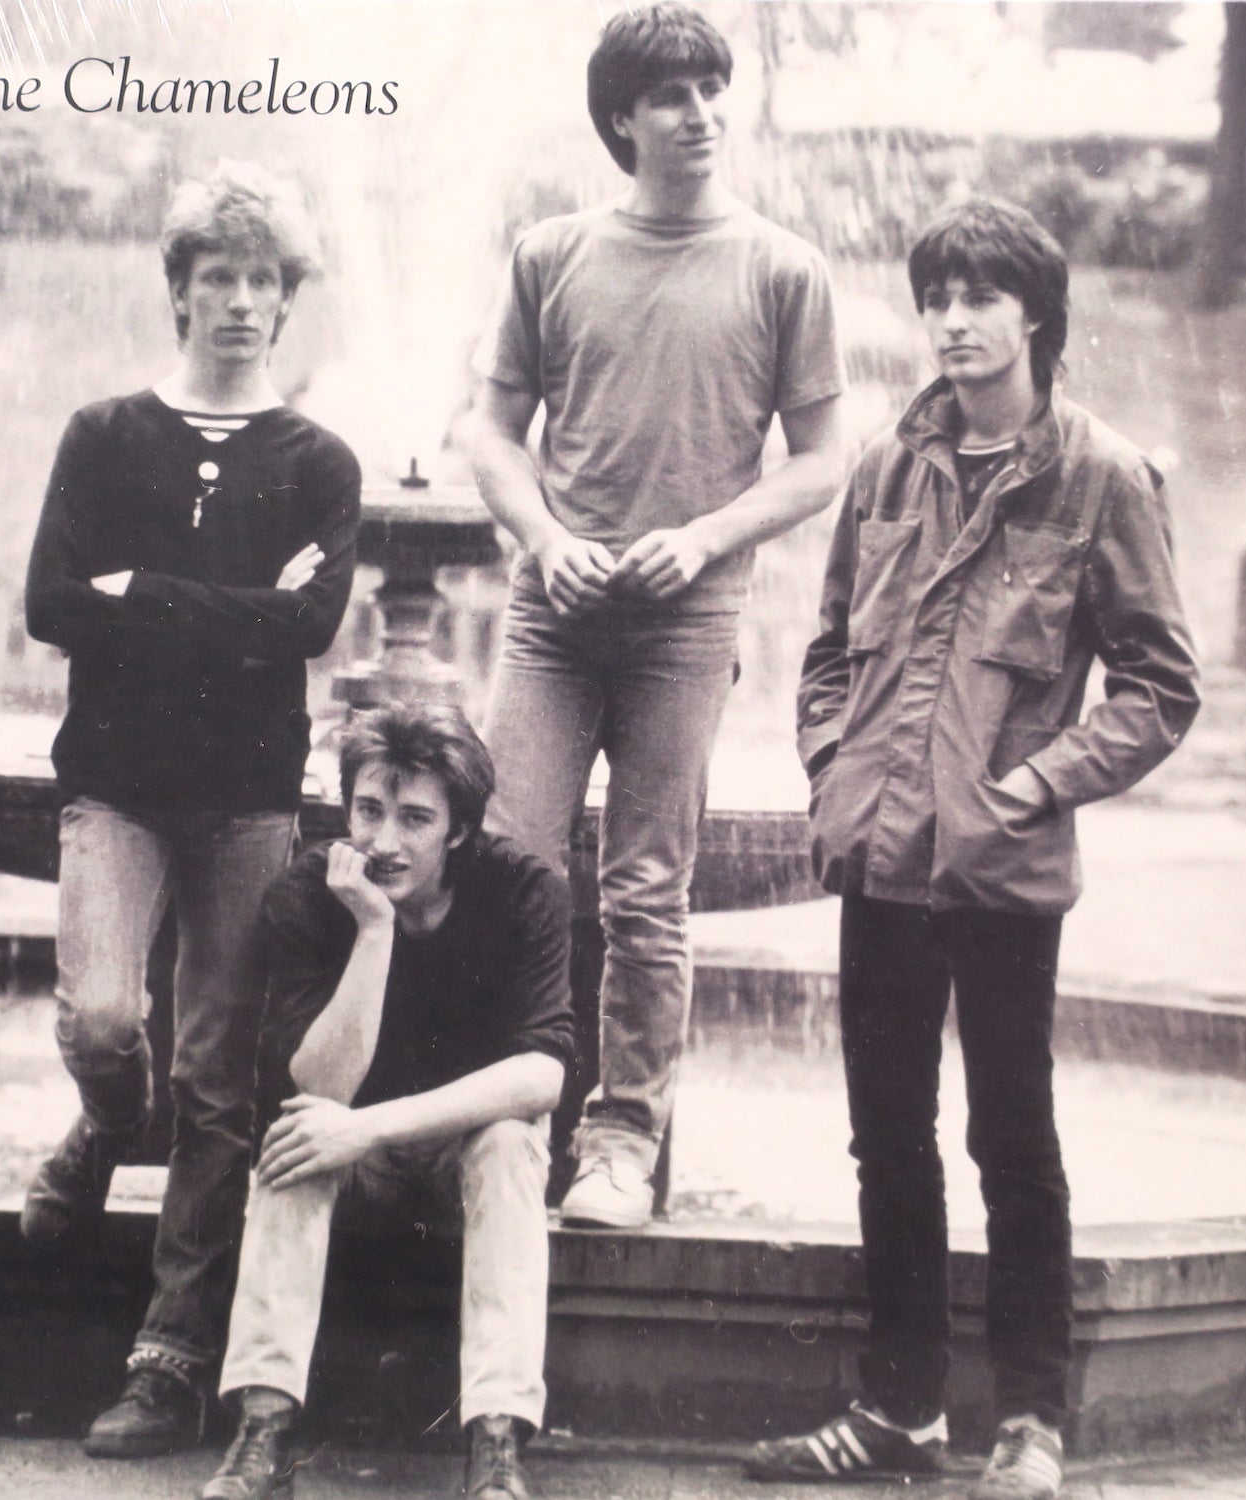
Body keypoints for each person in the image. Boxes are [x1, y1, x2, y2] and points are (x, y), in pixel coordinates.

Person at [746, 199, 1200, 1500]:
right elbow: (827, 647)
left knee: (1014, 1140)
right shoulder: (888, 466)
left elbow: (1161, 687)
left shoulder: (1103, 475)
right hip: (880, 860)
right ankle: (900, 1410)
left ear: (1036, 316)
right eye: (936, 298)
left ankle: (1030, 1424)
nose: (950, 322)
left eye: (978, 298)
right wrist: (833, 766)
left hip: (1002, 869)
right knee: (888, 1138)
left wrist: (1035, 786)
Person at [464, 3, 844, 1230]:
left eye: (711, 90)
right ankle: (502, 1122)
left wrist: (708, 536)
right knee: (511, 866)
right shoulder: (553, 253)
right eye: (671, 96)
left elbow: (822, 459)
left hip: (685, 626)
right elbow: (489, 432)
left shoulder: (783, 268)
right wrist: (546, 539)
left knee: (646, 891)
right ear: (621, 118)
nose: (700, 115)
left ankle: (621, 1143)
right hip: (553, 618)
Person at [21, 161, 361, 1458]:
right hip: (116, 783)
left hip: (248, 799)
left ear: (287, 300)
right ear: (179, 290)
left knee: (220, 1080)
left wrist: (145, 594)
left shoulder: (318, 462)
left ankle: (164, 1363)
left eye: (261, 279)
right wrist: (236, 609)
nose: (239, 301)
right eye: (216, 276)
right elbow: (53, 604)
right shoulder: (105, 436)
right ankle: (110, 1122)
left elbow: (309, 625)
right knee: (105, 1019)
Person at [197, 703, 574, 1500]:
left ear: (460, 828)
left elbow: (542, 1076)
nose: (383, 842)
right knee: (298, 1138)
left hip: (458, 1154)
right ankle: (263, 1425)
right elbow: (321, 1087)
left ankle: (497, 1440)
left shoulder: (523, 889)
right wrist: (374, 931)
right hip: (352, 1161)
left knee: (512, 1142)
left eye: (415, 818)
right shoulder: (310, 893)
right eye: (368, 810)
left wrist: (367, 1128)